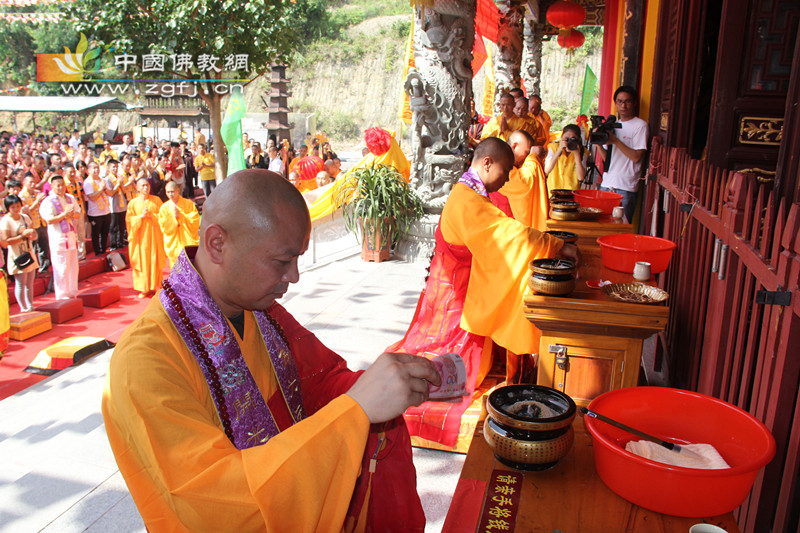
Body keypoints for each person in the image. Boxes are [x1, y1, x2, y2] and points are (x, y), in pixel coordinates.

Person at [102, 169, 439, 532]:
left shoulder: (260, 313)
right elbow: (214, 503)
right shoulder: (147, 360)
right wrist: (354, 412)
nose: (294, 277)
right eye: (282, 262)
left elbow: (321, 382)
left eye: (297, 259)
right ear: (217, 244)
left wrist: (390, 385)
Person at [387, 137, 579, 447]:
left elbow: (500, 229)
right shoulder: (468, 199)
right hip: (456, 291)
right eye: (504, 172)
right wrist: (554, 244)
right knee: (454, 376)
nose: (505, 181)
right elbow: (505, 234)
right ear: (486, 163)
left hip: (459, 280)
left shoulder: (470, 192)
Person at [595, 85, 649, 222]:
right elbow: (607, 159)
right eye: (619, 101)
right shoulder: (612, 126)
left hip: (626, 186)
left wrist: (616, 141)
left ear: (634, 103)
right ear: (616, 104)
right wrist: (597, 141)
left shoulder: (640, 126)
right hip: (607, 183)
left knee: (620, 227)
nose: (623, 106)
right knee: (602, 224)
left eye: (627, 101)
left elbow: (637, 157)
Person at [492, 130, 550, 230]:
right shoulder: (498, 162)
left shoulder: (511, 163)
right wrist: (533, 157)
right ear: (515, 146)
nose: (526, 158)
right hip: (500, 226)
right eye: (527, 152)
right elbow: (522, 182)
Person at [39, 174, 82, 300]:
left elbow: (78, 213)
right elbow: (49, 220)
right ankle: (62, 295)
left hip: (71, 236)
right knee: (61, 267)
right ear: (52, 187)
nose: (61, 188)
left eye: (62, 185)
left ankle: (73, 291)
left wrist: (72, 214)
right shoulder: (48, 201)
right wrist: (64, 214)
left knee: (73, 265)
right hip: (58, 238)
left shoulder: (69, 198)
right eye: (58, 185)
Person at [126, 177, 166, 298]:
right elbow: (129, 220)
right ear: (137, 188)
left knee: (154, 259)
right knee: (142, 260)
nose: (145, 188)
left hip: (154, 236)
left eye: (147, 185)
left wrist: (152, 216)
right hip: (140, 237)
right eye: (142, 186)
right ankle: (144, 288)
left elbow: (163, 216)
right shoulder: (133, 203)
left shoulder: (157, 200)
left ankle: (156, 284)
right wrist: (141, 217)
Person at [0, 194, 39, 312]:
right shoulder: (6, 221)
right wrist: (22, 236)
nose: (16, 209)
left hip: (28, 251)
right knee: (21, 282)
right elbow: (6, 242)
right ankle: (23, 307)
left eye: (18, 206)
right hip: (16, 254)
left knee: (30, 282)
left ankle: (30, 305)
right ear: (8, 208)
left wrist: (31, 234)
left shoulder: (25, 217)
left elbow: (33, 233)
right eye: (13, 207)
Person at [158, 181, 200, 265]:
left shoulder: (188, 204)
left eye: (172, 191)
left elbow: (195, 220)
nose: (170, 194)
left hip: (187, 241)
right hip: (174, 244)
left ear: (178, 190)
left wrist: (181, 216)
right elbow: (163, 227)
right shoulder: (164, 208)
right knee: (176, 270)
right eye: (168, 192)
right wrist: (173, 218)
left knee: (190, 267)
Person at [19, 174, 50, 271]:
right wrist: (37, 201)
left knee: (44, 246)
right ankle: (33, 269)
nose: (33, 185)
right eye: (30, 183)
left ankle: (44, 267)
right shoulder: (21, 196)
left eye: (34, 182)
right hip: (31, 226)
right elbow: (25, 211)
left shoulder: (37, 193)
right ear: (24, 183)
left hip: (41, 222)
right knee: (32, 248)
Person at [544, 124, 587, 191]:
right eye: (566, 139)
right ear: (561, 137)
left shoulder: (583, 151)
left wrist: (577, 155)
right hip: (553, 190)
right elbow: (546, 171)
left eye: (573, 139)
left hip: (571, 192)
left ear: (579, 139)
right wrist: (559, 150)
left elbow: (581, 177)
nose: (569, 141)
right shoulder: (553, 147)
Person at [84, 161, 113, 255]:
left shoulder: (102, 180)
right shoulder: (88, 182)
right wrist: (100, 189)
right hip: (95, 213)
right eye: (94, 168)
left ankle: (104, 249)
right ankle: (97, 251)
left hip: (106, 211)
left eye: (97, 168)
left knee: (105, 233)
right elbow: (92, 197)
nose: (96, 170)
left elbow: (110, 193)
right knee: (96, 233)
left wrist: (104, 188)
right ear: (88, 170)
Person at [105, 159, 130, 250]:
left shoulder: (119, 177)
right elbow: (111, 193)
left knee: (122, 225)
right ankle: (113, 244)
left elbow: (124, 190)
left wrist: (121, 183)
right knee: (113, 226)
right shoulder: (107, 179)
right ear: (108, 168)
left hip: (122, 204)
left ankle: (120, 242)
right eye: (113, 167)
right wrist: (118, 184)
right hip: (113, 206)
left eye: (116, 167)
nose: (115, 169)